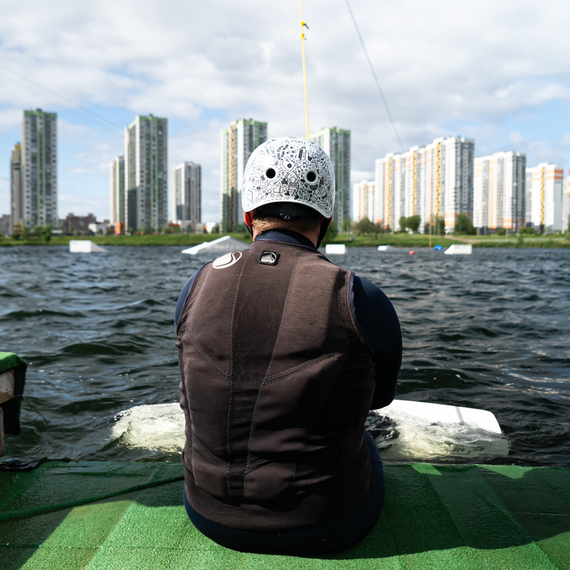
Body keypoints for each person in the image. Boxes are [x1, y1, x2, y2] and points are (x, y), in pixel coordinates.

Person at [175, 137, 401, 555]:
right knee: (368, 437)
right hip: (329, 522)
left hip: (206, 512)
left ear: (248, 215)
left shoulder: (195, 286)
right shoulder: (362, 297)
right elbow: (380, 399)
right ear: (327, 217)